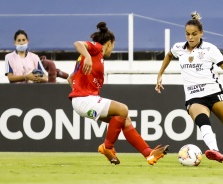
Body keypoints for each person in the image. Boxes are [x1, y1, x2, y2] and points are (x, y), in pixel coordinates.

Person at [155, 12, 223, 166]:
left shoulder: (209, 49)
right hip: (194, 96)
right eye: (187, 34)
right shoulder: (179, 47)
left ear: (201, 33)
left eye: (194, 34)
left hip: (214, 92)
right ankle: (215, 150)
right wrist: (160, 75)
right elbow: (168, 55)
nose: (190, 37)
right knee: (202, 122)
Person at [67, 22, 169, 165]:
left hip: (82, 101)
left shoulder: (95, 59)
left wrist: (78, 91)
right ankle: (107, 147)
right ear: (109, 43)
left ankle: (148, 153)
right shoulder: (96, 49)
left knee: (124, 118)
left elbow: (70, 78)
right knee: (123, 109)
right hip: (84, 100)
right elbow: (78, 43)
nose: (112, 49)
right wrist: (88, 57)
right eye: (113, 46)